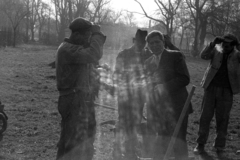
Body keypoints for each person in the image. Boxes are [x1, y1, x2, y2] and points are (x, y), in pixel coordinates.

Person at [55, 17, 106, 160]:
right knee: (72, 142)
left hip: (80, 99)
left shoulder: (74, 48)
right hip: (72, 100)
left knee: (86, 138)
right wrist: (97, 34)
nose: (88, 40)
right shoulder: (67, 50)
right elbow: (94, 54)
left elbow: (92, 59)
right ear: (77, 35)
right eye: (87, 36)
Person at [143, 30, 192, 160]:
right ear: (147, 45)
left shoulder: (175, 56)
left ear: (163, 42)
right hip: (159, 108)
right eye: (151, 43)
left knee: (178, 140)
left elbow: (184, 78)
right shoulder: (147, 62)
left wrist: (164, 87)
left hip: (177, 106)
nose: (154, 45)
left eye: (157, 42)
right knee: (162, 140)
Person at [194, 33, 240, 154]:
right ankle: (200, 144)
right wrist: (212, 43)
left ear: (233, 45)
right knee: (205, 117)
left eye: (229, 44)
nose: (225, 46)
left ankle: (219, 146)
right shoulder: (216, 50)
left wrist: (238, 46)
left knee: (223, 119)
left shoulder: (237, 55)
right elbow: (203, 56)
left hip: (227, 91)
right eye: (223, 43)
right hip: (211, 88)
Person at [111, 29, 149, 160]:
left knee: (135, 123)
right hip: (125, 96)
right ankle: (116, 150)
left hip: (139, 97)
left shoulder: (148, 56)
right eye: (139, 41)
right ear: (134, 41)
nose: (141, 44)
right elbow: (116, 74)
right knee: (122, 121)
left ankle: (130, 151)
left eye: (144, 42)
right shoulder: (124, 54)